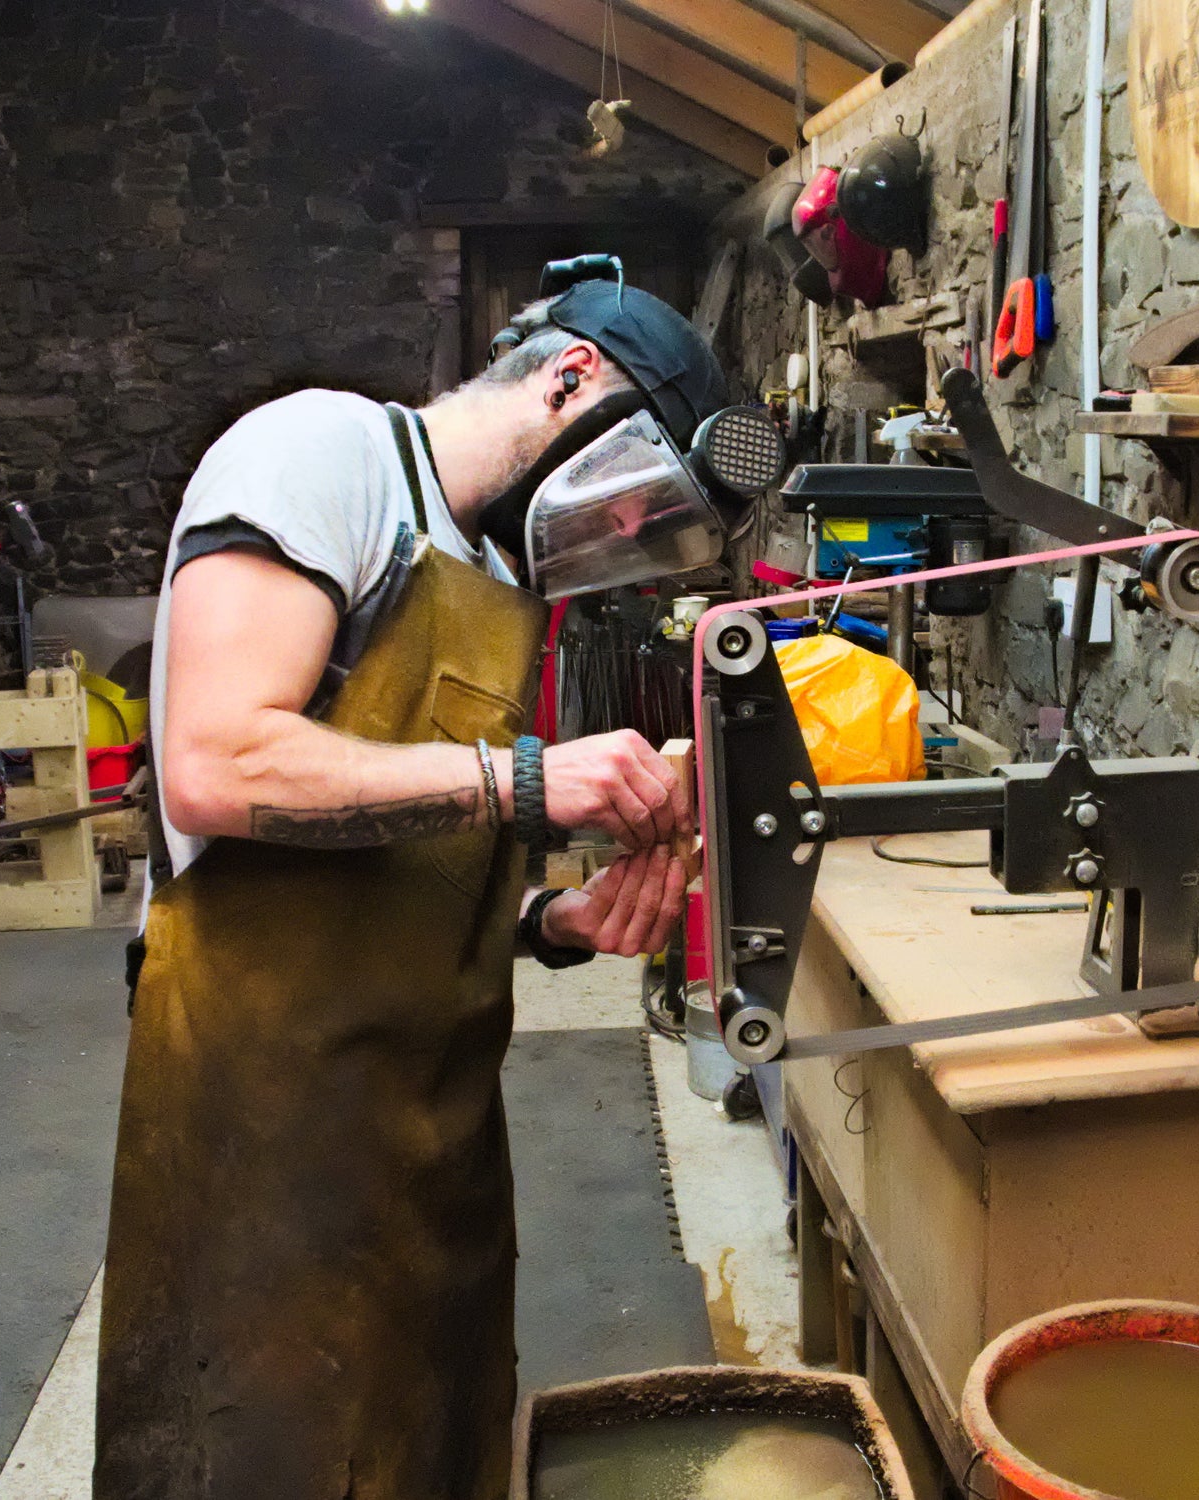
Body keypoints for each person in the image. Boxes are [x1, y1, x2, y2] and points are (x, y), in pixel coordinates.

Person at [94, 268, 734, 1500]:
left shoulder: (488, 565)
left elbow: (396, 852)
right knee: (260, 1456)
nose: (624, 540)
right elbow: (216, 764)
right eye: (638, 499)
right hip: (271, 1124)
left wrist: (547, 921)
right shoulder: (320, 457)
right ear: (569, 379)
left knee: (435, 1452)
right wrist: (526, 780)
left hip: (435, 1136)